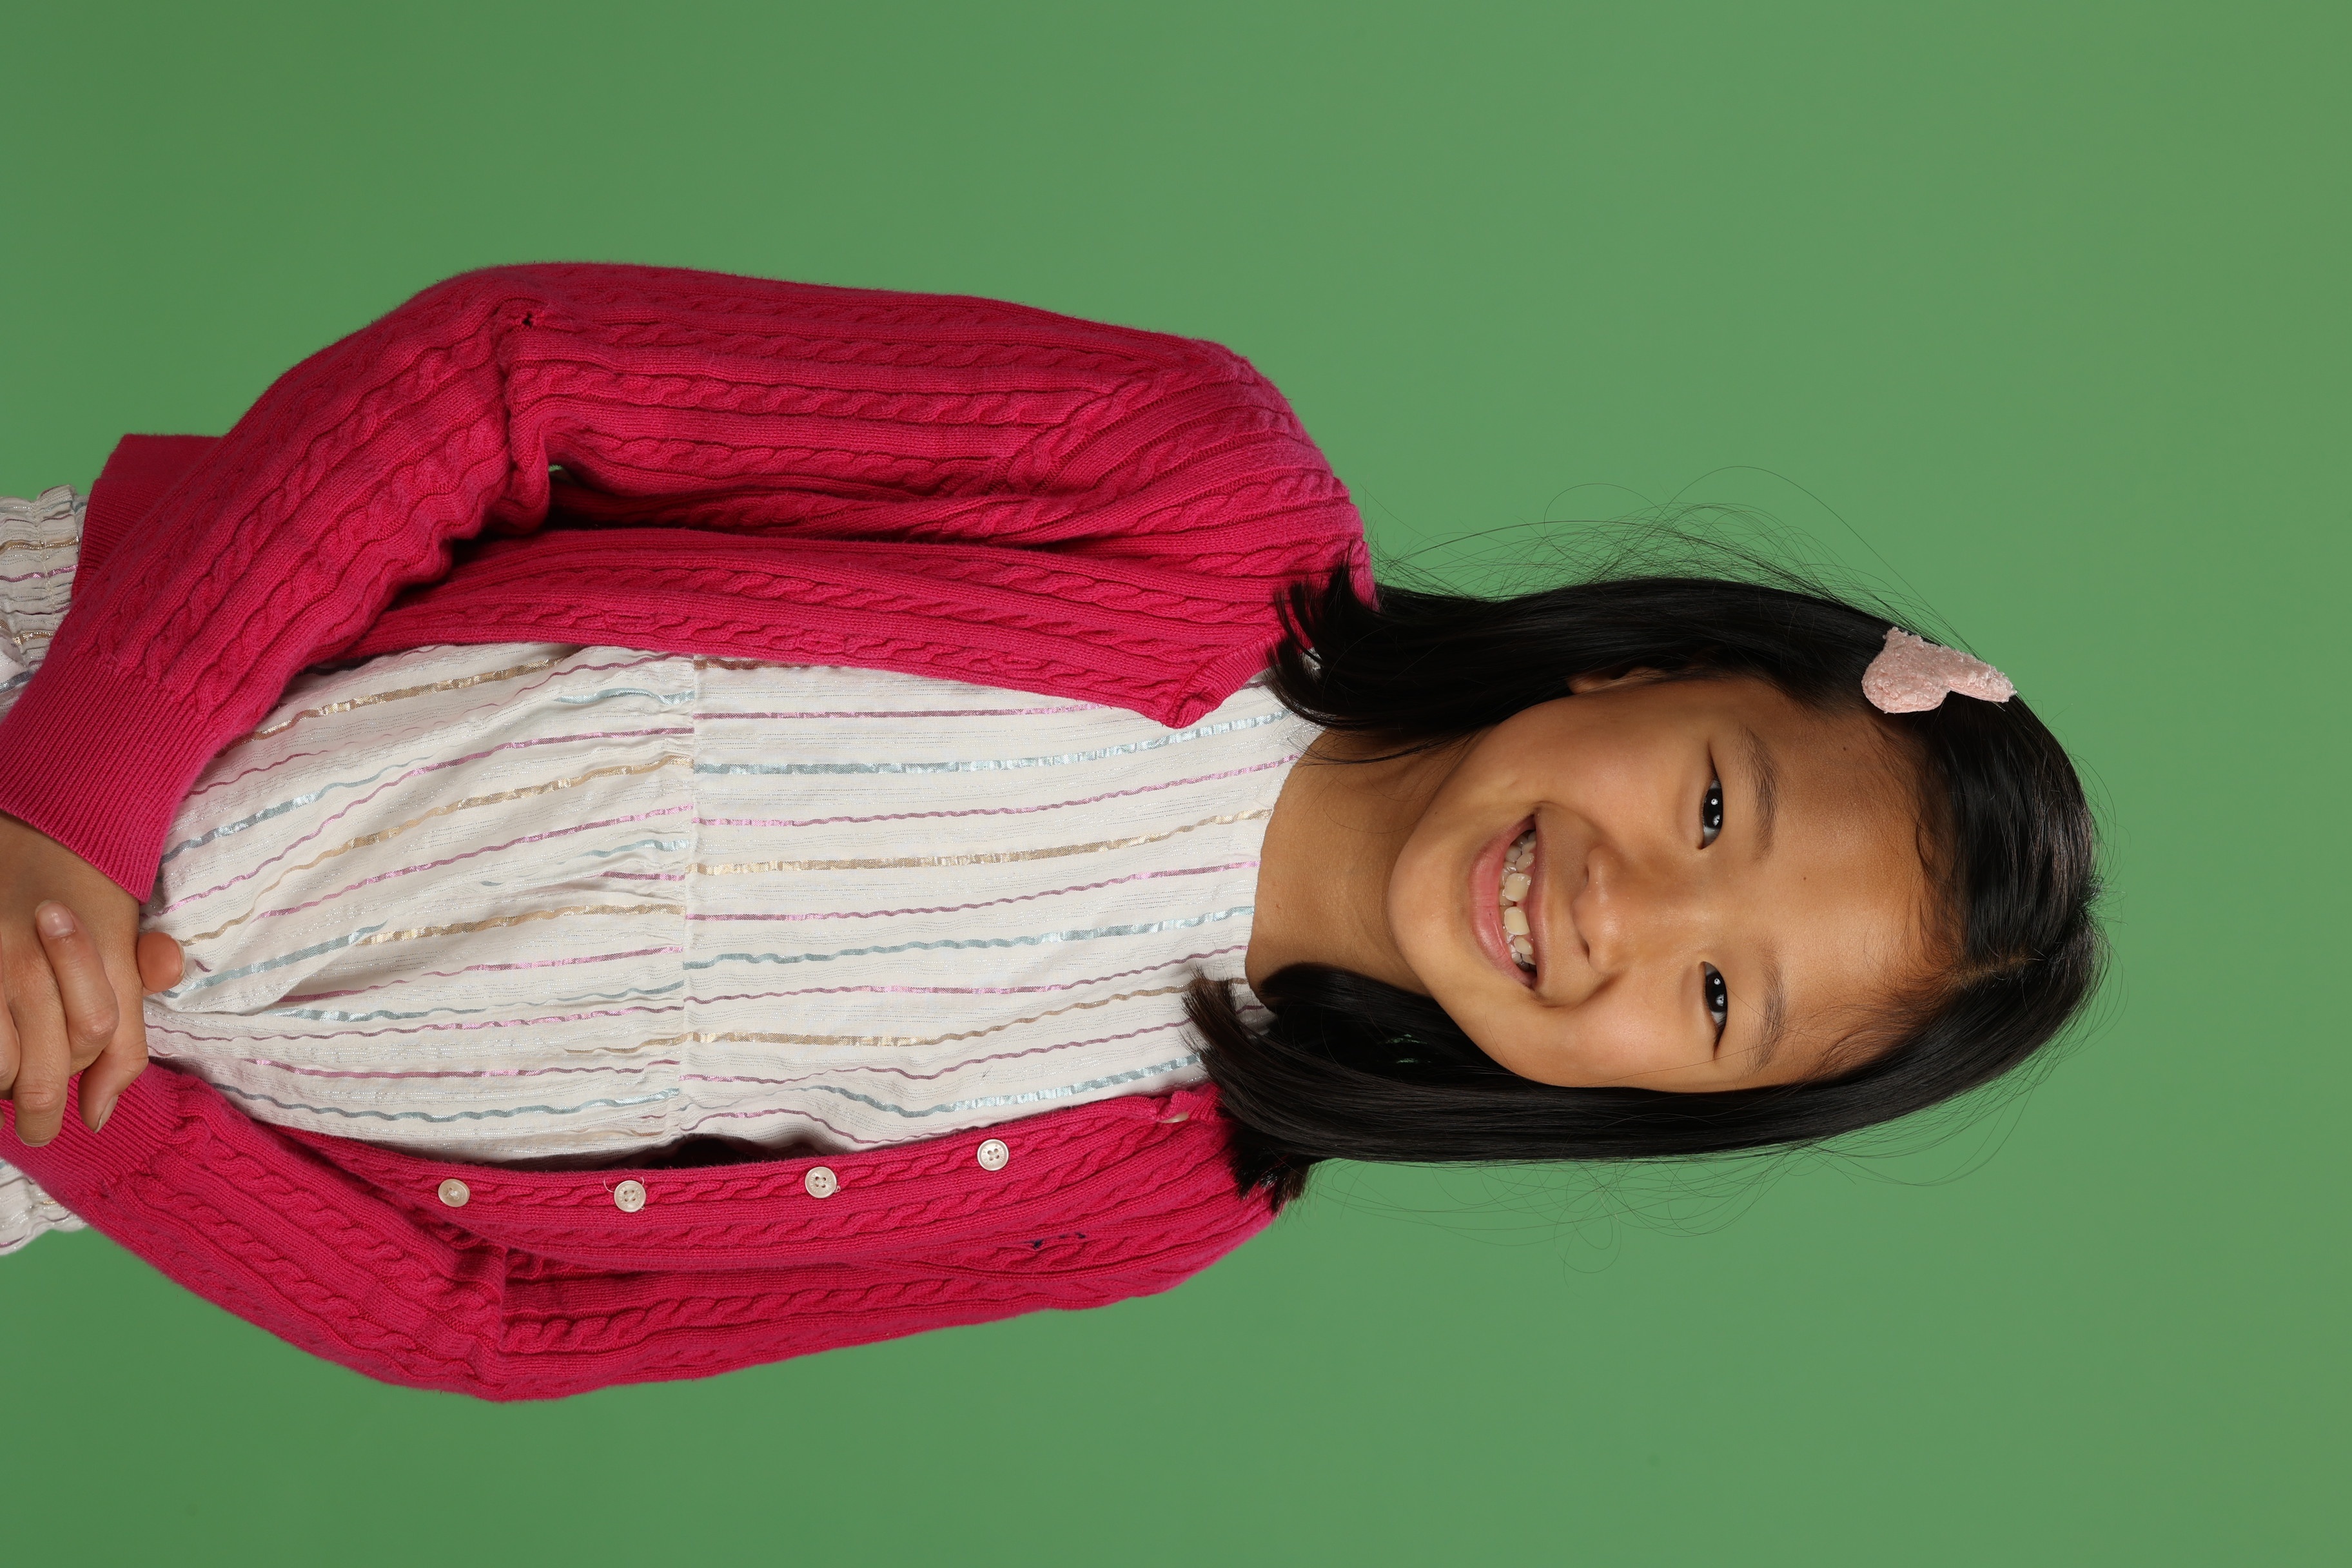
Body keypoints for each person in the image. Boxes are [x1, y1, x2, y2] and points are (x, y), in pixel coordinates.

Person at [0, 264, 2101, 1398]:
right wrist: (74, 805)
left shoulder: (1150, 1198)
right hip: (55, 681)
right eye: (1713, 803)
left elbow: (514, 1319)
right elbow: (503, 383)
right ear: (1645, 671)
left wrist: (84, 1105)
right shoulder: (1181, 477)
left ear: (1663, 1101)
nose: (1632, 910)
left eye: (1720, 1001)